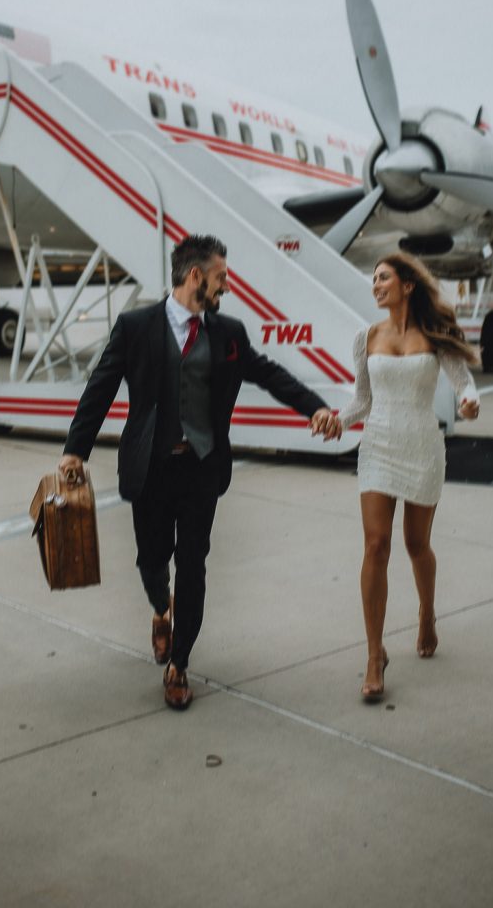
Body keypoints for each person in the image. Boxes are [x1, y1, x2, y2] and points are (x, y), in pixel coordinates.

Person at [58, 234, 337, 710]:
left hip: (202, 469)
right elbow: (100, 388)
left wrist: (314, 408)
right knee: (151, 560)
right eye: (221, 277)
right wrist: (74, 451)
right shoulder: (136, 326)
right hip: (149, 466)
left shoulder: (228, 333)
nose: (225, 286)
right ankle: (160, 610)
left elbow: (269, 373)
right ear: (195, 276)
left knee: (193, 566)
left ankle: (179, 664)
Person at [332, 252, 480, 703]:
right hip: (378, 446)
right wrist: (337, 420)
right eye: (373, 279)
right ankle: (375, 655)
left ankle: (427, 613)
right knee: (376, 545)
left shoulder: (435, 335)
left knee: (417, 544)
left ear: (407, 285)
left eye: (383, 278)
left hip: (422, 446)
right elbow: (361, 401)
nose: (376, 285)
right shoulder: (366, 337)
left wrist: (471, 403)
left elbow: (464, 384)